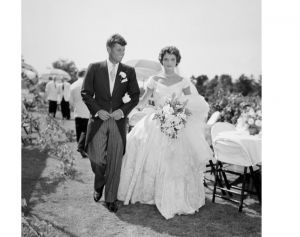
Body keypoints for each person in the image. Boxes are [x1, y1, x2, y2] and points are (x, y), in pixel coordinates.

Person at [117, 46, 213, 219]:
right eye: (166, 59)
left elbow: (191, 102)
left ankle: (175, 195)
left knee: (175, 159)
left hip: (176, 122)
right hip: (156, 120)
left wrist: (177, 112)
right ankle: (148, 192)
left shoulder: (183, 81)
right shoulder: (154, 79)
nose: (169, 63)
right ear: (162, 61)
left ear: (177, 61)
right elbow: (144, 100)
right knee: (139, 146)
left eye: (172, 60)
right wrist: (130, 106)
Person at [81, 34, 140, 212]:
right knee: (97, 158)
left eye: (123, 50)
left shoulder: (129, 71)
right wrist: (98, 110)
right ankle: (99, 183)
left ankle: (111, 198)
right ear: (109, 49)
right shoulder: (94, 67)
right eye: (118, 49)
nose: (122, 53)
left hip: (118, 121)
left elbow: (135, 96)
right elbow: (85, 93)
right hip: (99, 120)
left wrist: (122, 111)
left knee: (115, 160)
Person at [69, 69, 89, 158]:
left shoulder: (72, 85)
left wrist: (74, 107)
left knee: (79, 130)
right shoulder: (88, 84)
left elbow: (70, 101)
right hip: (87, 111)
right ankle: (81, 147)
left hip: (77, 112)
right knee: (86, 130)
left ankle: (80, 147)